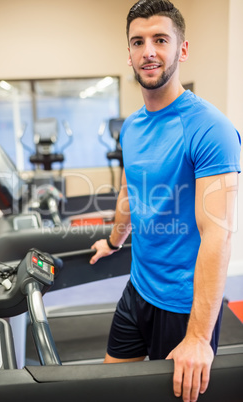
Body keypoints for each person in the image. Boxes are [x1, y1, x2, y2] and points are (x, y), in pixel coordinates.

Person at [90, 0, 241, 401]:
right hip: (138, 287)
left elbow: (219, 235)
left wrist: (197, 336)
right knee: (108, 388)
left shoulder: (211, 129)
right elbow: (129, 191)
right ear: (129, 54)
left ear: (182, 50)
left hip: (182, 305)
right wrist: (114, 241)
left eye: (160, 39)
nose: (149, 51)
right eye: (138, 41)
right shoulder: (132, 127)